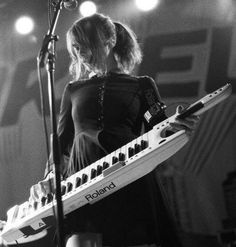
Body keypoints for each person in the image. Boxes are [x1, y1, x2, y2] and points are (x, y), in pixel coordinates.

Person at [29, 13, 199, 247]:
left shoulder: (142, 85)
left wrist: (178, 127)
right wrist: (50, 176)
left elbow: (158, 131)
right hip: (82, 184)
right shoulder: (73, 90)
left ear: (109, 41)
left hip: (131, 179)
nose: (80, 55)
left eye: (85, 46)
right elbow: (62, 141)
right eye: (75, 49)